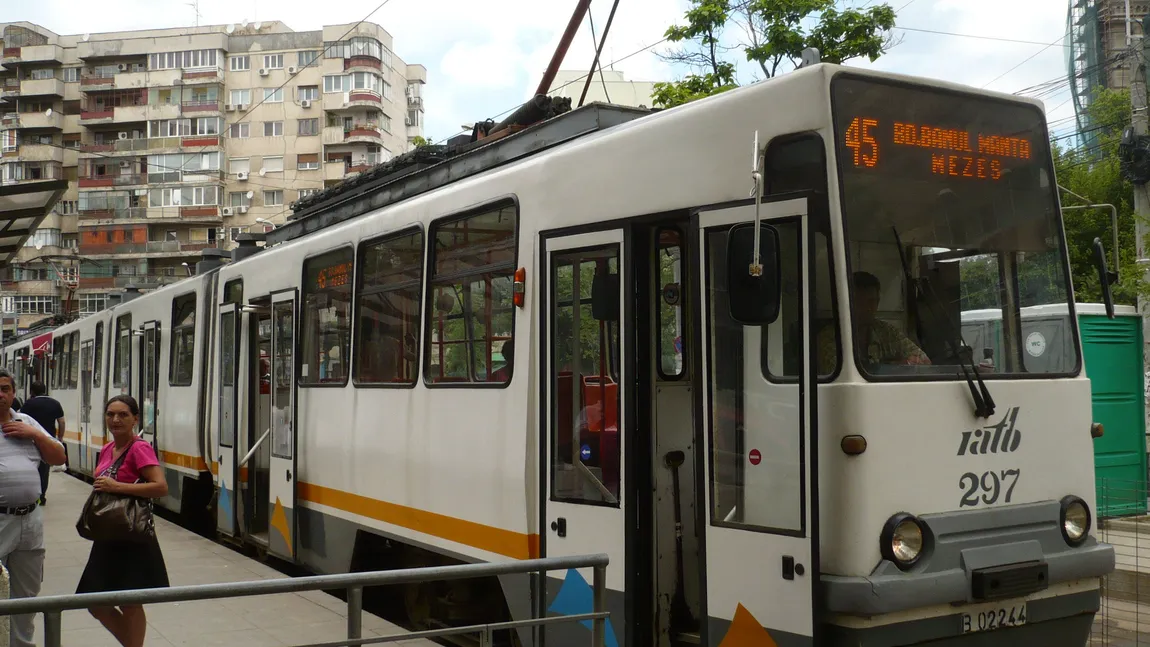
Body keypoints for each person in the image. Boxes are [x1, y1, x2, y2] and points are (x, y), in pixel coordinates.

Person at [77, 395, 170, 647]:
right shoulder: (108, 447)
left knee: (129, 601)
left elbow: (160, 486)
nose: (115, 419)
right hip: (108, 536)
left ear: (135, 419)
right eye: (110, 414)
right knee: (95, 602)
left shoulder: (139, 448)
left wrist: (118, 486)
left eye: (123, 415)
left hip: (131, 534)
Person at [0, 367, 67, 647]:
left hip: (30, 520)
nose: (0, 395)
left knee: (26, 596)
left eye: (5, 389)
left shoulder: (26, 421)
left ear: (14, 393)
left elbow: (58, 456)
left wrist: (35, 435)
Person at [818, 271, 930, 373]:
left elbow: (924, 361)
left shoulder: (886, 331)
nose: (868, 308)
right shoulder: (830, 338)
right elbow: (844, 374)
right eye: (860, 302)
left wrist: (903, 363)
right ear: (847, 303)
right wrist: (896, 365)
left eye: (872, 301)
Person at [19, 382, 65, 505]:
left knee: (33, 468)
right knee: (45, 470)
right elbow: (61, 422)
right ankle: (42, 496)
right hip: (48, 441)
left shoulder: (29, 403)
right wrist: (60, 438)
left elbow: (21, 419)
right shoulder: (55, 403)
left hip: (31, 441)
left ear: (32, 392)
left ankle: (33, 495)